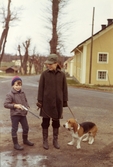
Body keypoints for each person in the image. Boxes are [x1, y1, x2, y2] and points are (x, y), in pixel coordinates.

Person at [37, 53, 68, 150]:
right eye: (48, 64)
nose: (48, 65)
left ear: (56, 63)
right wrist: (40, 100)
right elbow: (40, 88)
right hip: (46, 102)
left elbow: (65, 89)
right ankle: (45, 140)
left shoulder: (62, 75)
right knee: (45, 122)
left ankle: (55, 140)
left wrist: (64, 101)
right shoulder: (44, 74)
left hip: (57, 103)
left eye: (50, 64)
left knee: (56, 122)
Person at [4, 76, 34, 150]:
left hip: (23, 114)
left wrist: (27, 106)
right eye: (16, 85)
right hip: (15, 115)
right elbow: (6, 104)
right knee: (15, 129)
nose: (18, 87)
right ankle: (16, 144)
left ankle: (25, 140)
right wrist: (15, 105)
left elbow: (25, 101)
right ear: (13, 85)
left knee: (26, 127)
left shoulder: (22, 93)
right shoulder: (10, 94)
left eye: (20, 85)